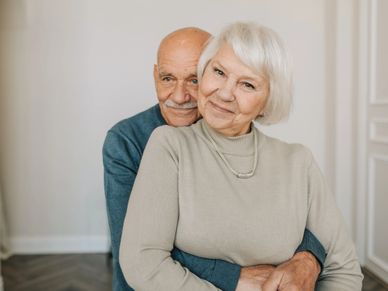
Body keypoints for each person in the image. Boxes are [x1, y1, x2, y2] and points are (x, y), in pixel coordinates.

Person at [118, 22, 363, 291]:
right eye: (219, 72)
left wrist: (310, 260)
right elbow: (143, 263)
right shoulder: (169, 145)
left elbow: (345, 271)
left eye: (247, 84)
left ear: (268, 100)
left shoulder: (298, 161)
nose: (224, 93)